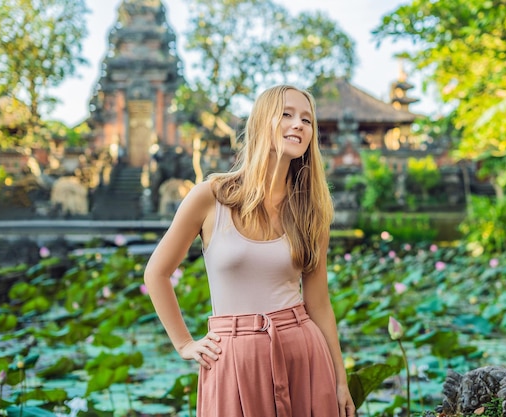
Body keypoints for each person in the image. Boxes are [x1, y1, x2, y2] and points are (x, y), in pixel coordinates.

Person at [143, 85, 356, 417]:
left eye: (306, 119)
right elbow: (156, 273)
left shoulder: (312, 210)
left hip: (302, 352)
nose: (298, 124)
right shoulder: (210, 196)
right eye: (286, 114)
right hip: (232, 358)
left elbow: (319, 302)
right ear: (261, 123)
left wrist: (341, 381)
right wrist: (184, 343)